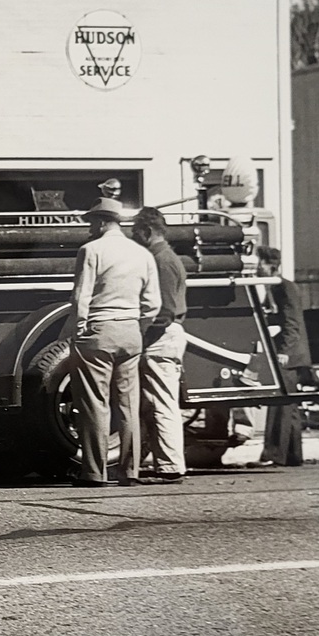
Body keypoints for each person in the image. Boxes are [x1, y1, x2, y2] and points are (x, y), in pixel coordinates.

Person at [67, 190, 160, 487]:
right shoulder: (142, 254)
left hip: (98, 331)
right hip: (131, 331)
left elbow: (81, 296)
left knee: (95, 403)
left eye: (92, 222)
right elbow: (153, 303)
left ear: (103, 221)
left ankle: (94, 471)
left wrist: (80, 328)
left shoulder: (91, 250)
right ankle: (129, 470)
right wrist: (139, 324)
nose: (89, 228)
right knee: (128, 403)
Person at [131, 206, 188, 484]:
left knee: (161, 402)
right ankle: (164, 463)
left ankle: (170, 466)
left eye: (136, 232)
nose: (133, 238)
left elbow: (164, 312)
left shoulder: (160, 261)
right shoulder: (166, 257)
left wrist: (140, 335)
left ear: (147, 231)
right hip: (167, 335)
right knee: (158, 401)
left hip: (160, 336)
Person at [257, 246, 314, 467]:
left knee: (280, 401)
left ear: (270, 265)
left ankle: (274, 454)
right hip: (292, 353)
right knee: (289, 404)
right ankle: (292, 454)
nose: (258, 267)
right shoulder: (275, 288)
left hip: (289, 354)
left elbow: (292, 323)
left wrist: (284, 352)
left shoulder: (283, 288)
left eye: (261, 263)